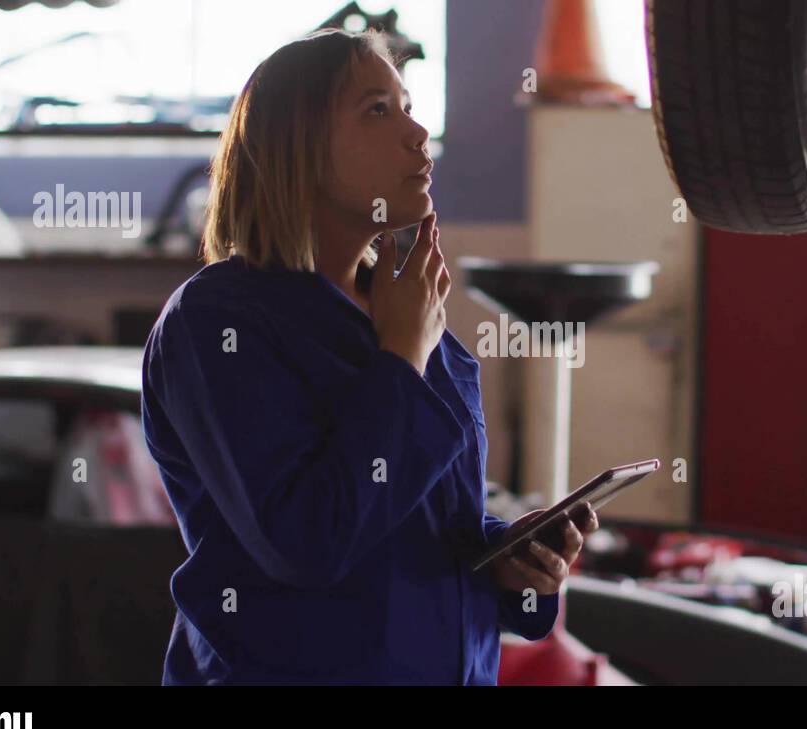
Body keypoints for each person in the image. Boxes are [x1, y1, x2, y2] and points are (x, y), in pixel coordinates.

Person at [140, 28, 597, 685]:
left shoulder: (408, 312)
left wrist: (504, 559)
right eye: (378, 110)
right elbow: (308, 540)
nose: (416, 134)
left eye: (410, 107)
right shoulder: (218, 322)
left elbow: (415, 525)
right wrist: (401, 355)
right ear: (296, 146)